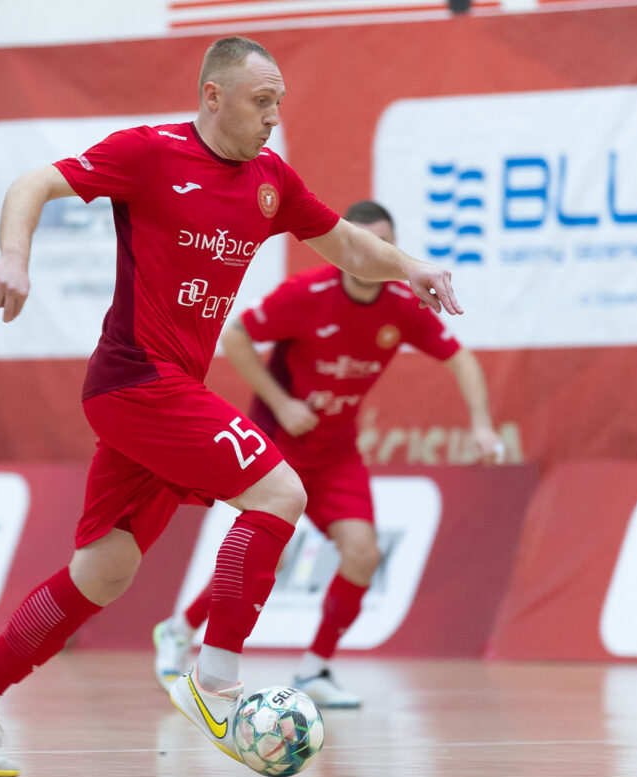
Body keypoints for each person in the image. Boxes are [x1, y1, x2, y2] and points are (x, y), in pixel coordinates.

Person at [0, 38, 462, 777]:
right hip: (136, 379)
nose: (274, 117)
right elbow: (30, 183)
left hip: (164, 389)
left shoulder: (270, 180)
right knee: (281, 492)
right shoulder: (149, 154)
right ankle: (215, 684)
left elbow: (344, 244)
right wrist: (15, 255)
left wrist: (411, 268)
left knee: (103, 572)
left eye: (279, 101)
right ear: (213, 96)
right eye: (260, 101)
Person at [152, 200, 502, 709]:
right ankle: (180, 630)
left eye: (383, 243)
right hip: (279, 452)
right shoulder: (306, 293)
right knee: (265, 555)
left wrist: (483, 425)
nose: (371, 252)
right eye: (362, 242)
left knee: (363, 553)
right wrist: (283, 403)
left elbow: (460, 358)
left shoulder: (403, 306)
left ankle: (316, 668)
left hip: (337, 454)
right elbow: (236, 337)